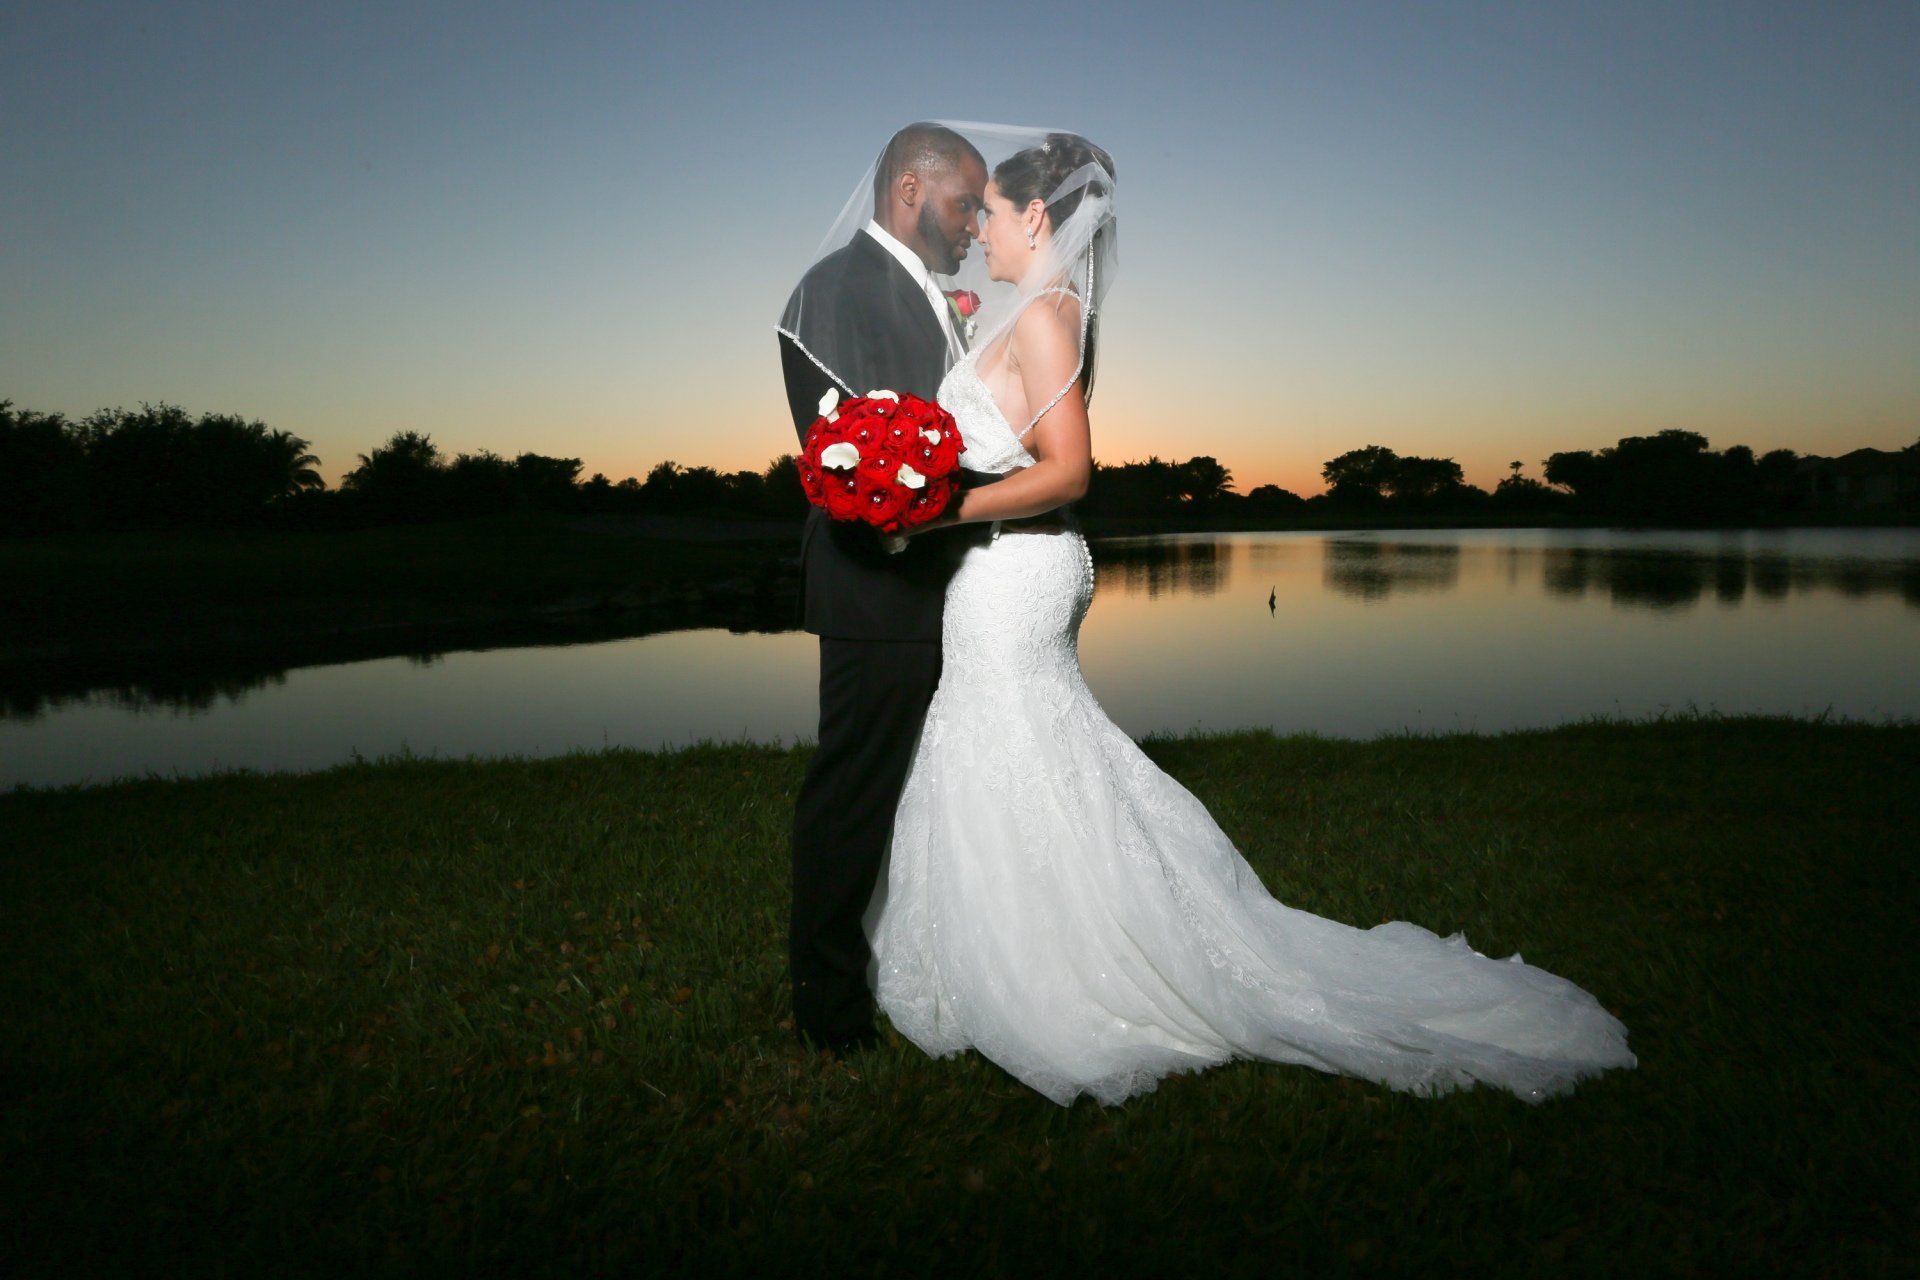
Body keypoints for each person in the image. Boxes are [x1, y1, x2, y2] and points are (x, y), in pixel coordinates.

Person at [856, 127, 1640, 1107]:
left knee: (1008, 729)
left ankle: (1069, 960)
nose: (979, 229)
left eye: (993, 213)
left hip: (1014, 564)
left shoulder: (1048, 317)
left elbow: (1069, 470)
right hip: (1003, 565)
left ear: (1038, 215)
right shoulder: (1035, 313)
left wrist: (941, 506)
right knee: (1022, 739)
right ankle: (1031, 927)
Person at [776, 123, 994, 1058]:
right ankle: (827, 1005)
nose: (977, 226)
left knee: (929, 788)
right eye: (965, 205)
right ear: (911, 189)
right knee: (856, 791)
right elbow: (856, 458)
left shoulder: (925, 294)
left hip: (946, 583)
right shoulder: (835, 289)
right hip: (879, 590)